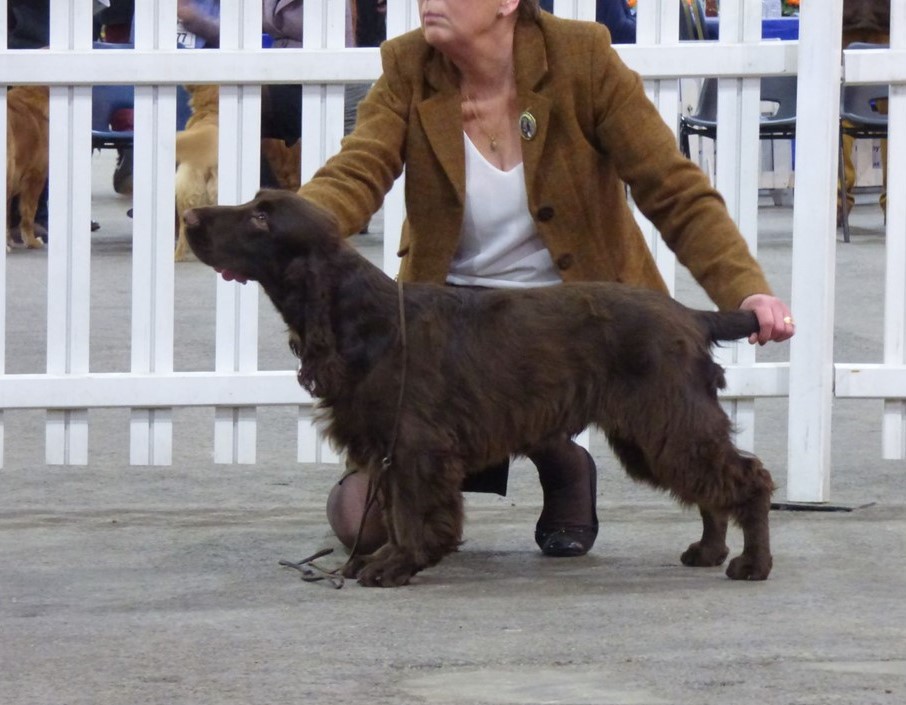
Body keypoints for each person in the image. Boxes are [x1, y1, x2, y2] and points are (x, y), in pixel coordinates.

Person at [223, 0, 795, 558]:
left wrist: (744, 289)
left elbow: (673, 188)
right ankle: (510, 459)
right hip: (450, 331)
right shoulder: (408, 65)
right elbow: (356, 169)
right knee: (364, 527)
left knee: (639, 433)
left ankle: (560, 459)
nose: (428, 3)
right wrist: (284, 234)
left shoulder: (581, 56)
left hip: (569, 322)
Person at [839, 0, 890, 225]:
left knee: (894, 119)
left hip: (888, 23)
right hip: (844, 23)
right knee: (838, 116)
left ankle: (896, 201)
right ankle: (837, 201)